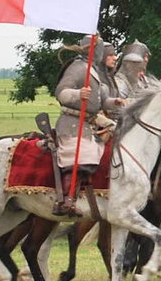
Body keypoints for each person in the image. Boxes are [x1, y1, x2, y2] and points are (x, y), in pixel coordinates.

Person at [53, 35, 124, 216]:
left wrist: (114, 102)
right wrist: (77, 94)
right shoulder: (77, 68)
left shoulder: (92, 70)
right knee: (83, 154)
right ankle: (67, 200)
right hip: (73, 124)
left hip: (90, 123)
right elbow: (61, 92)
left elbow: (100, 101)